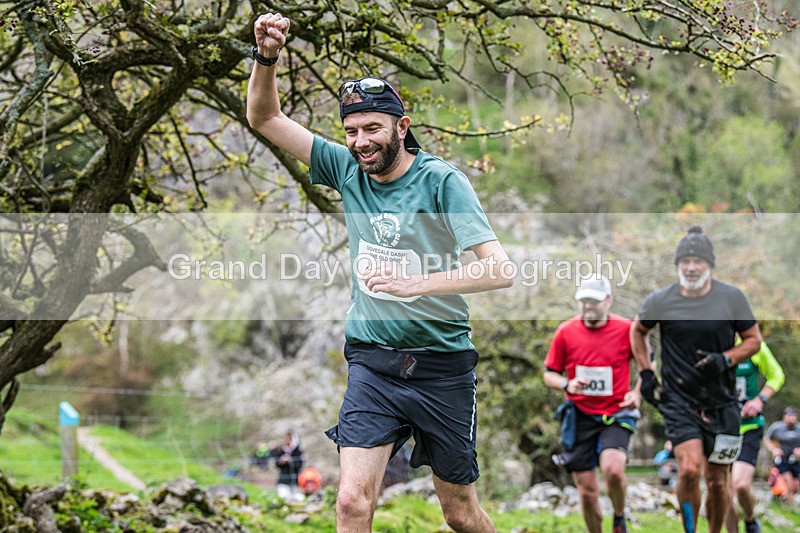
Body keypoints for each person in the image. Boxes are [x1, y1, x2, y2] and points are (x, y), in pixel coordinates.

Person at [247, 13, 512, 532]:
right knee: (350, 503)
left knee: (459, 514)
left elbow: (499, 270)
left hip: (442, 368)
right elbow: (265, 118)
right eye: (351, 131)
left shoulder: (442, 183)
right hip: (373, 363)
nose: (361, 141)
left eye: (372, 129)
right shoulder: (346, 168)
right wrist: (267, 57)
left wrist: (422, 284)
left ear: (401, 127)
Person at [630, 225, 762, 533]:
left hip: (722, 402)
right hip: (678, 400)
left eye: (697, 261)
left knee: (718, 481)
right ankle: (690, 530)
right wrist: (646, 372)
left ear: (710, 265)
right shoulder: (661, 300)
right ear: (677, 265)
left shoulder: (731, 297)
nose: (690, 267)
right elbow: (637, 330)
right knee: (688, 471)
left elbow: (753, 340)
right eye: (684, 261)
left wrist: (725, 359)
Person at [544, 275, 640, 533]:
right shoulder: (566, 331)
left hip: (617, 412)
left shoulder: (627, 329)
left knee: (613, 469)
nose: (588, 306)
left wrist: (637, 393)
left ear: (608, 302)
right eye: (584, 301)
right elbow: (549, 373)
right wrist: (566, 384)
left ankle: (619, 518)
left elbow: (647, 367)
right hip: (579, 415)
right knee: (587, 492)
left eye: (594, 301)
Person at [724, 341, 785, 533]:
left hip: (749, 426)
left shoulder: (751, 344)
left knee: (741, 485)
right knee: (724, 493)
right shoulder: (712, 342)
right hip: (721, 428)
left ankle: (750, 521)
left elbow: (776, 375)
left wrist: (760, 399)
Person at [764, 407, 800, 506]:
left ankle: (783, 499)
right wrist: (773, 449)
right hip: (782, 459)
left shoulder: (798, 428)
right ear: (785, 417)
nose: (793, 418)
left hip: (794, 459)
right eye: (790, 416)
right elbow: (766, 439)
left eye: (794, 416)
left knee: (796, 487)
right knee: (788, 481)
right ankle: (791, 508)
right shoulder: (777, 427)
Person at [268, 432, 306, 500]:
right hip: (284, 479)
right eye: (286, 439)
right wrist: (281, 461)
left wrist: (291, 461)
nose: (287, 441)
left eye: (289, 439)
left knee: (297, 499)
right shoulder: (281, 450)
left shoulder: (298, 452)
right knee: (284, 498)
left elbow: (300, 465)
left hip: (295, 480)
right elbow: (276, 464)